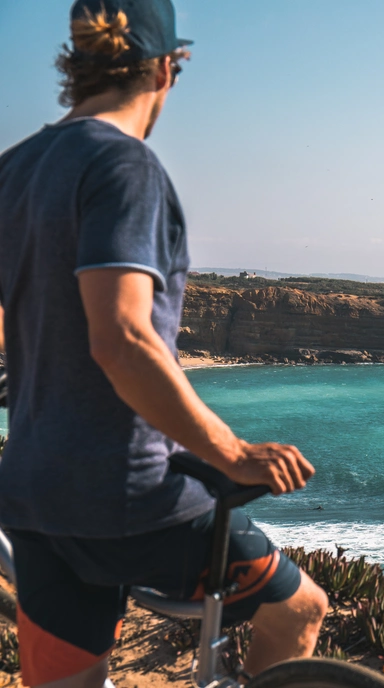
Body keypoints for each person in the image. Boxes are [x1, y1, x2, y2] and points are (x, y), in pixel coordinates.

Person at [0, 2, 328, 686]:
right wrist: (233, 453)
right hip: (132, 500)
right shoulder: (124, 168)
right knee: (299, 609)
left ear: (76, 65)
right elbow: (121, 338)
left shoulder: (15, 168)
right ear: (165, 69)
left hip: (33, 497)